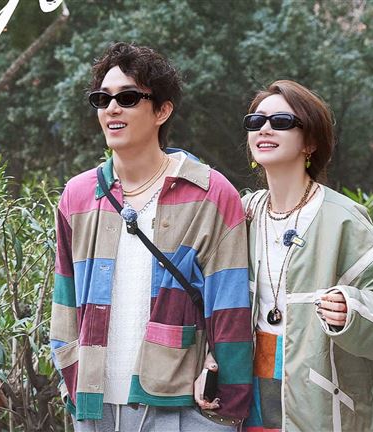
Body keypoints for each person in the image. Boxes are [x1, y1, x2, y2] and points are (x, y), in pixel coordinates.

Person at [50, 42, 253, 432]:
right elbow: (65, 301)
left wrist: (225, 410)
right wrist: (69, 378)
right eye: (102, 99)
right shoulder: (78, 196)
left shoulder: (211, 194)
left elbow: (230, 311)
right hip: (93, 406)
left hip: (182, 407)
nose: (112, 109)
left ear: (162, 110)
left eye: (127, 98)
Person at [240, 80, 373, 431]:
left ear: (310, 142)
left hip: (315, 396)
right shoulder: (244, 214)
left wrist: (352, 310)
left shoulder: (342, 218)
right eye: (256, 121)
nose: (264, 129)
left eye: (281, 121)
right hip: (249, 388)